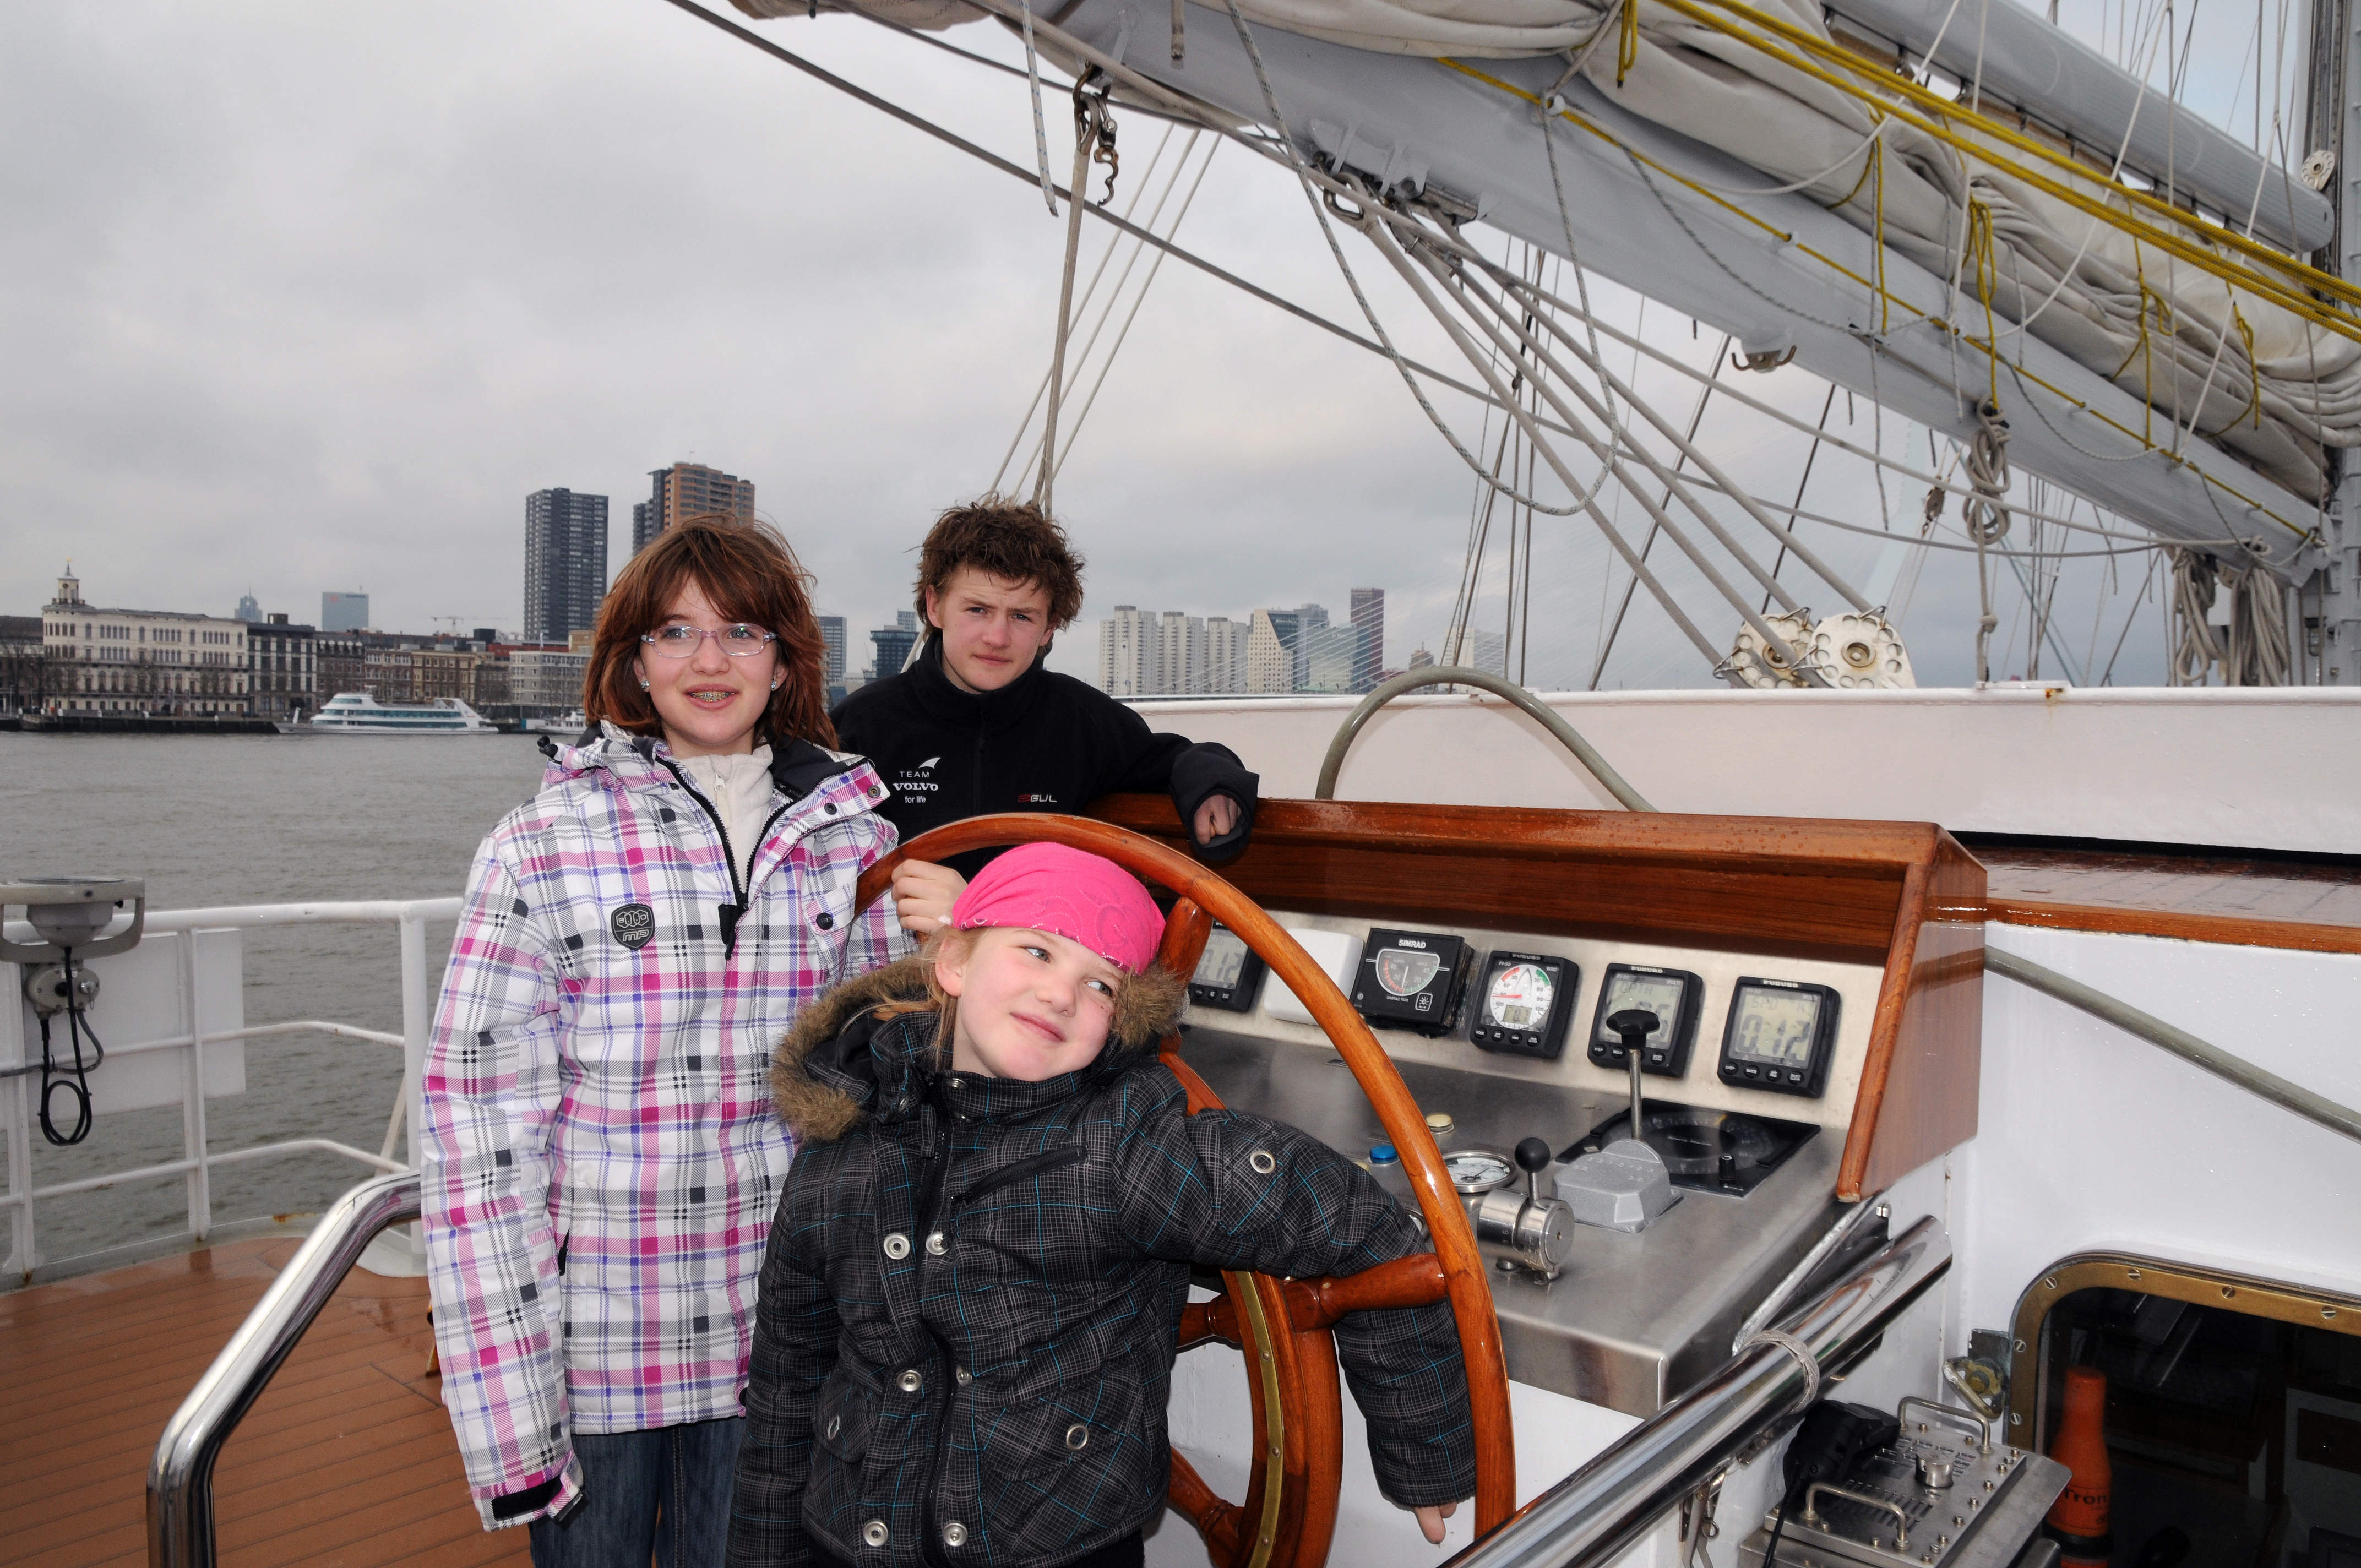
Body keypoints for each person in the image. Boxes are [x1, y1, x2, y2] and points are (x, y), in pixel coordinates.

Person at [726, 843, 1473, 1568]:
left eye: (1101, 985)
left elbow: (1359, 1225)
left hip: (1063, 1545)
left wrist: (1426, 1453)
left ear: (1118, 1023)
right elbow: (787, 1386)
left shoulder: (1131, 1152)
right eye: (1038, 952)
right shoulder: (842, 1145)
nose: (1060, 994)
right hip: (845, 1541)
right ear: (953, 961)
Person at [421, 515, 906, 1567]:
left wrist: (960, 935)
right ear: (634, 662)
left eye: (740, 631)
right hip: (593, 1346)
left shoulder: (853, 842)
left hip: (777, 1334)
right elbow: (479, 1137)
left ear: (783, 659)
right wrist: (509, 1408)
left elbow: (892, 1081)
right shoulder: (538, 850)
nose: (710, 660)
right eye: (676, 633)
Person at [830, 497, 1259, 936]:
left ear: (1049, 628)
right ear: (936, 606)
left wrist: (1217, 788)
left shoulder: (1079, 722)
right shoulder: (861, 727)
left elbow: (1177, 760)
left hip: (1031, 976)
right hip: (893, 982)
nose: (997, 637)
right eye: (978, 609)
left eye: (1021, 616)